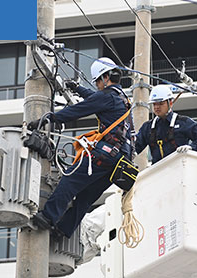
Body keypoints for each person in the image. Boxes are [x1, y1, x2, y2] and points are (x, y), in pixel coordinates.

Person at [29, 57, 134, 238]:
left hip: (104, 155)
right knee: (85, 197)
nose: (98, 85)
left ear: (106, 77)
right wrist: (77, 89)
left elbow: (79, 110)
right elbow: (95, 99)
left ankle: (48, 217)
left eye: (99, 82)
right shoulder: (122, 98)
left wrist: (49, 118)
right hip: (119, 163)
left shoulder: (108, 96)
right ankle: (63, 230)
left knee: (69, 181)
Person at [135, 84, 197, 164]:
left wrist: (191, 147)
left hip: (179, 169)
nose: (157, 107)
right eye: (154, 104)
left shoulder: (183, 122)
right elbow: (135, 147)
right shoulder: (148, 127)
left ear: (170, 103)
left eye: (161, 103)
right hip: (157, 171)